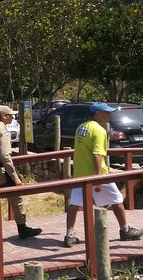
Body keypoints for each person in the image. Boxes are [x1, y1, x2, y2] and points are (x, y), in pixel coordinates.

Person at [63, 102, 142, 247]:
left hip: (80, 173)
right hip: (97, 173)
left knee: (74, 203)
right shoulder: (99, 130)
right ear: (97, 114)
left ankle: (69, 235)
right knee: (117, 199)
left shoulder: (82, 127)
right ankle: (125, 230)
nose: (109, 115)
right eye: (106, 112)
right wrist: (99, 179)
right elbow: (97, 155)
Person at [0, 105, 42, 250]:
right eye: (10, 115)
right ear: (4, 116)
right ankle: (22, 228)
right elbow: (5, 156)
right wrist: (15, 177)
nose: (12, 118)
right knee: (16, 197)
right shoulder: (3, 131)